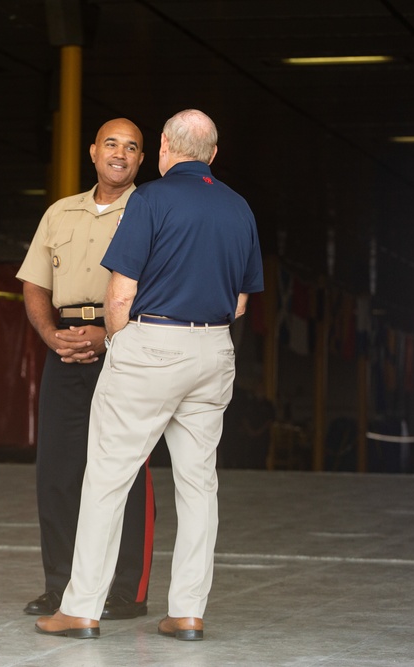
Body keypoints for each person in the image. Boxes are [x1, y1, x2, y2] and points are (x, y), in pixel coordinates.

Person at [35, 109, 264, 640]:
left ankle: (81, 609)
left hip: (152, 343)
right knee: (198, 485)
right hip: (214, 349)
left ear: (163, 147)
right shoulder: (238, 207)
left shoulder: (150, 200)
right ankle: (187, 611)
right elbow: (242, 300)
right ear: (213, 152)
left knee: (107, 478)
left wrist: (122, 343)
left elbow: (120, 290)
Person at [16, 118, 156, 620]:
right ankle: (61, 587)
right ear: (93, 151)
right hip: (63, 348)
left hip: (124, 345)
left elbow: (158, 286)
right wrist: (52, 335)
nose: (120, 153)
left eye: (132, 147)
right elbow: (35, 283)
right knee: (55, 470)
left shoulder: (150, 210)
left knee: (126, 470)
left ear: (142, 160)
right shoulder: (60, 213)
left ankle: (125, 590)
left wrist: (108, 334)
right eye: (111, 144)